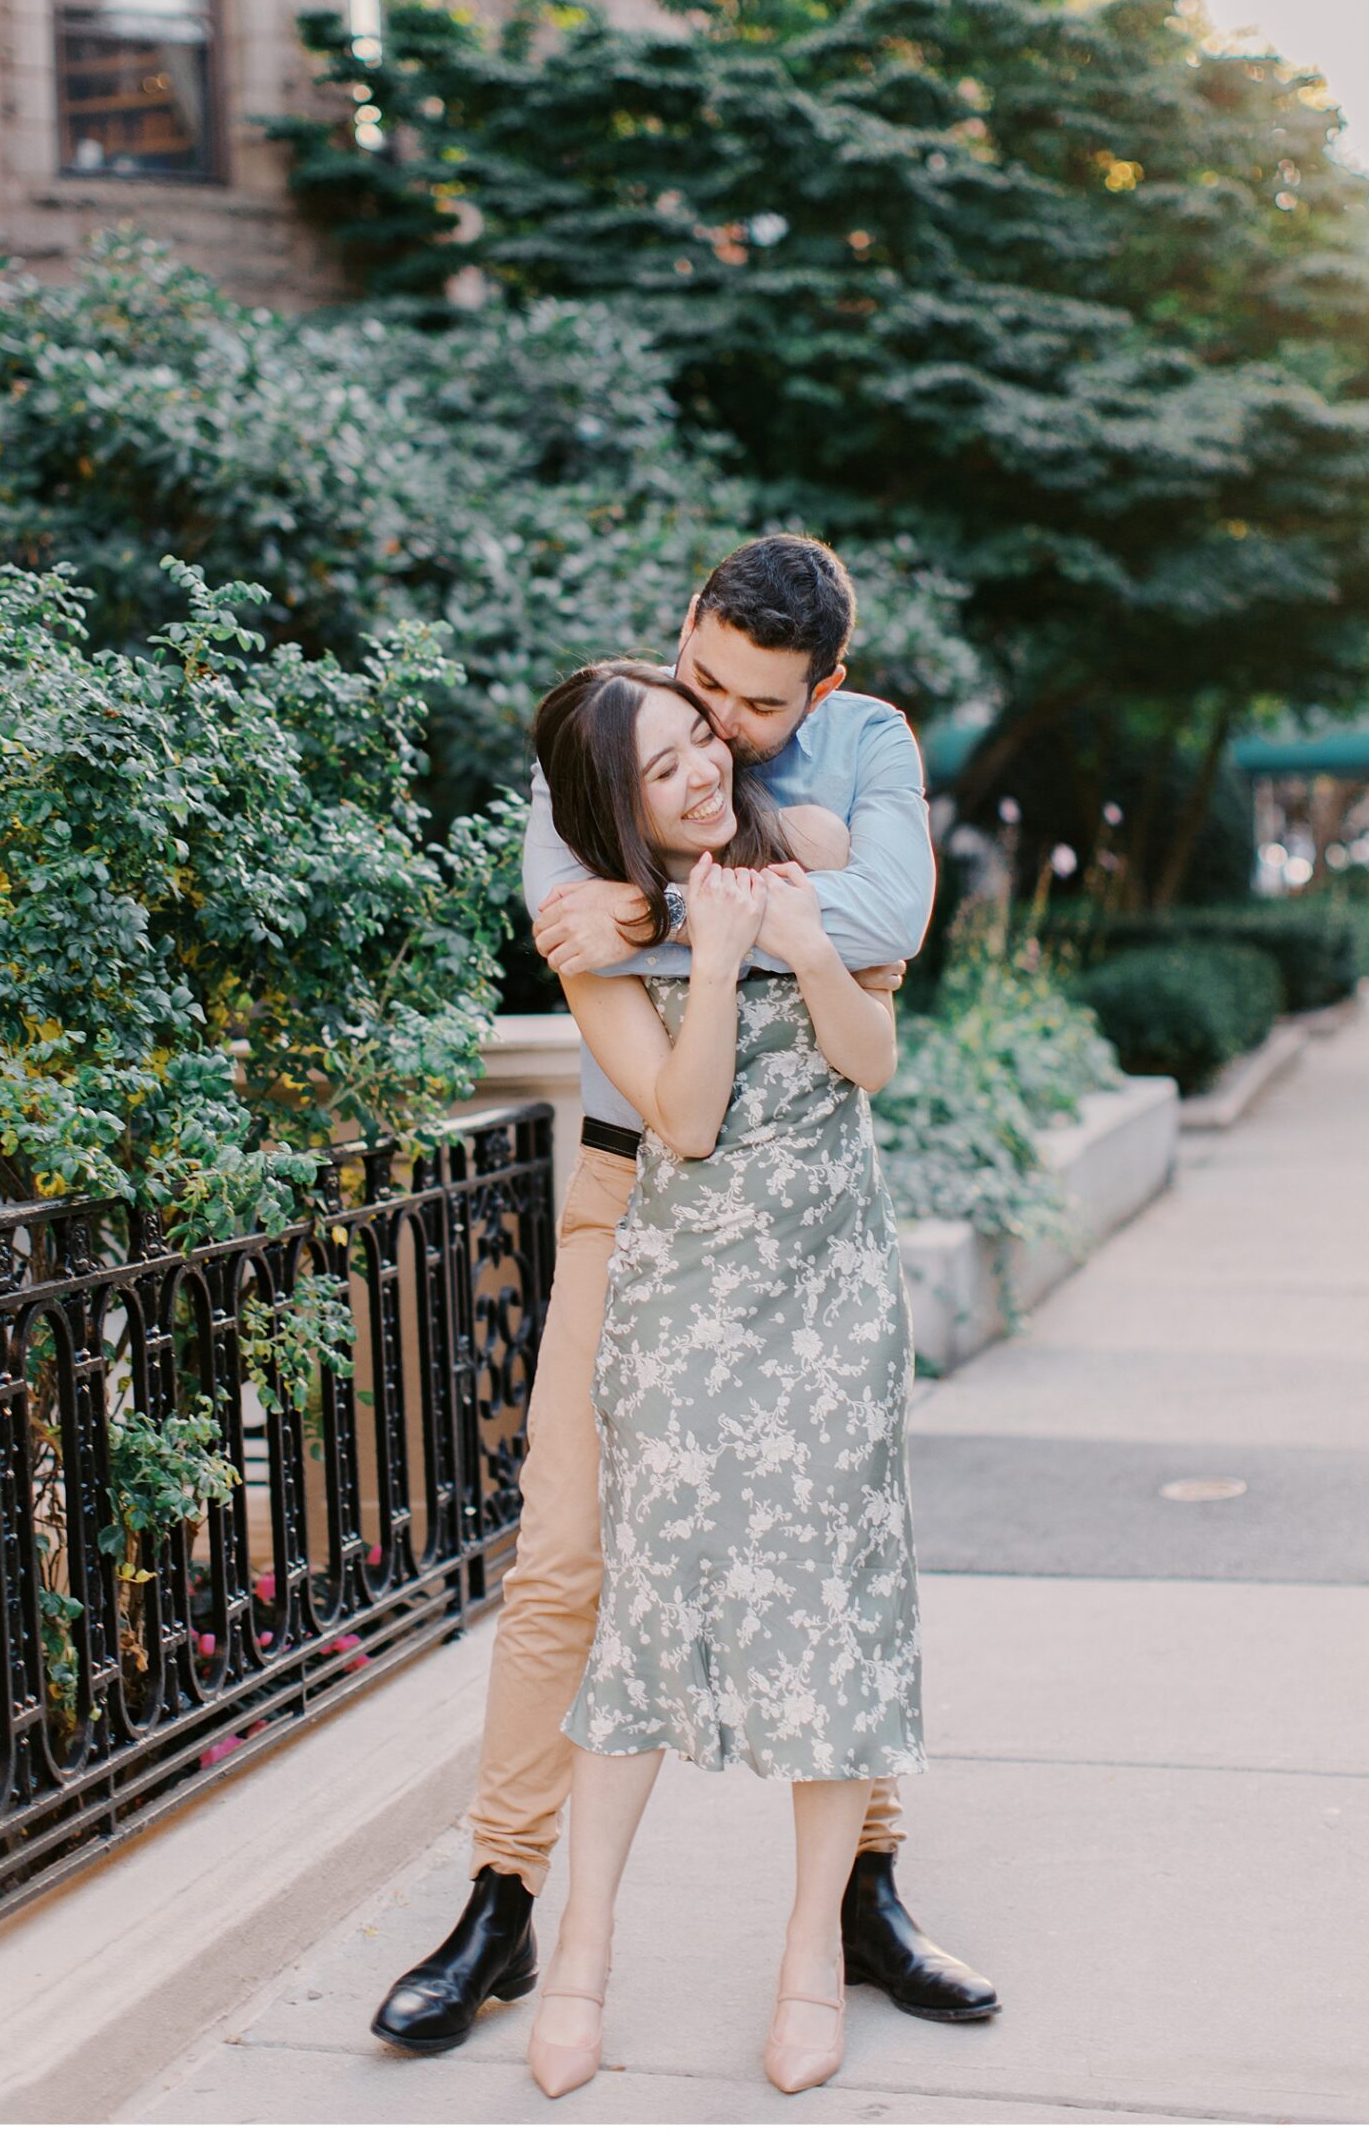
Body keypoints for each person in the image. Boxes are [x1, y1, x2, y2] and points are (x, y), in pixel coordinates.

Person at [370, 537, 997, 2062]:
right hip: (628, 1191)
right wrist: (749, 903)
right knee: (567, 1560)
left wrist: (659, 915)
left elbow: (888, 929)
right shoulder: (604, 731)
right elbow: (558, 911)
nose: (711, 724)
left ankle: (859, 1893)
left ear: (821, 686)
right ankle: (503, 1904)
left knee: (832, 1549)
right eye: (695, 676)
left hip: (796, 1218)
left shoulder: (864, 740)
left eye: (747, 705)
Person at [523, 656, 929, 2098]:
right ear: (613, 807)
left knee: (832, 1608)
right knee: (645, 1619)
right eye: (665, 765)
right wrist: (697, 954)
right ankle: (577, 1960)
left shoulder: (804, 850)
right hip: (689, 1301)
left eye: (705, 739)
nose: (703, 769)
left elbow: (870, 1060)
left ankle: (810, 1959)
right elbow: (682, 1123)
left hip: (828, 1294)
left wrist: (807, 946)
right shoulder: (594, 940)